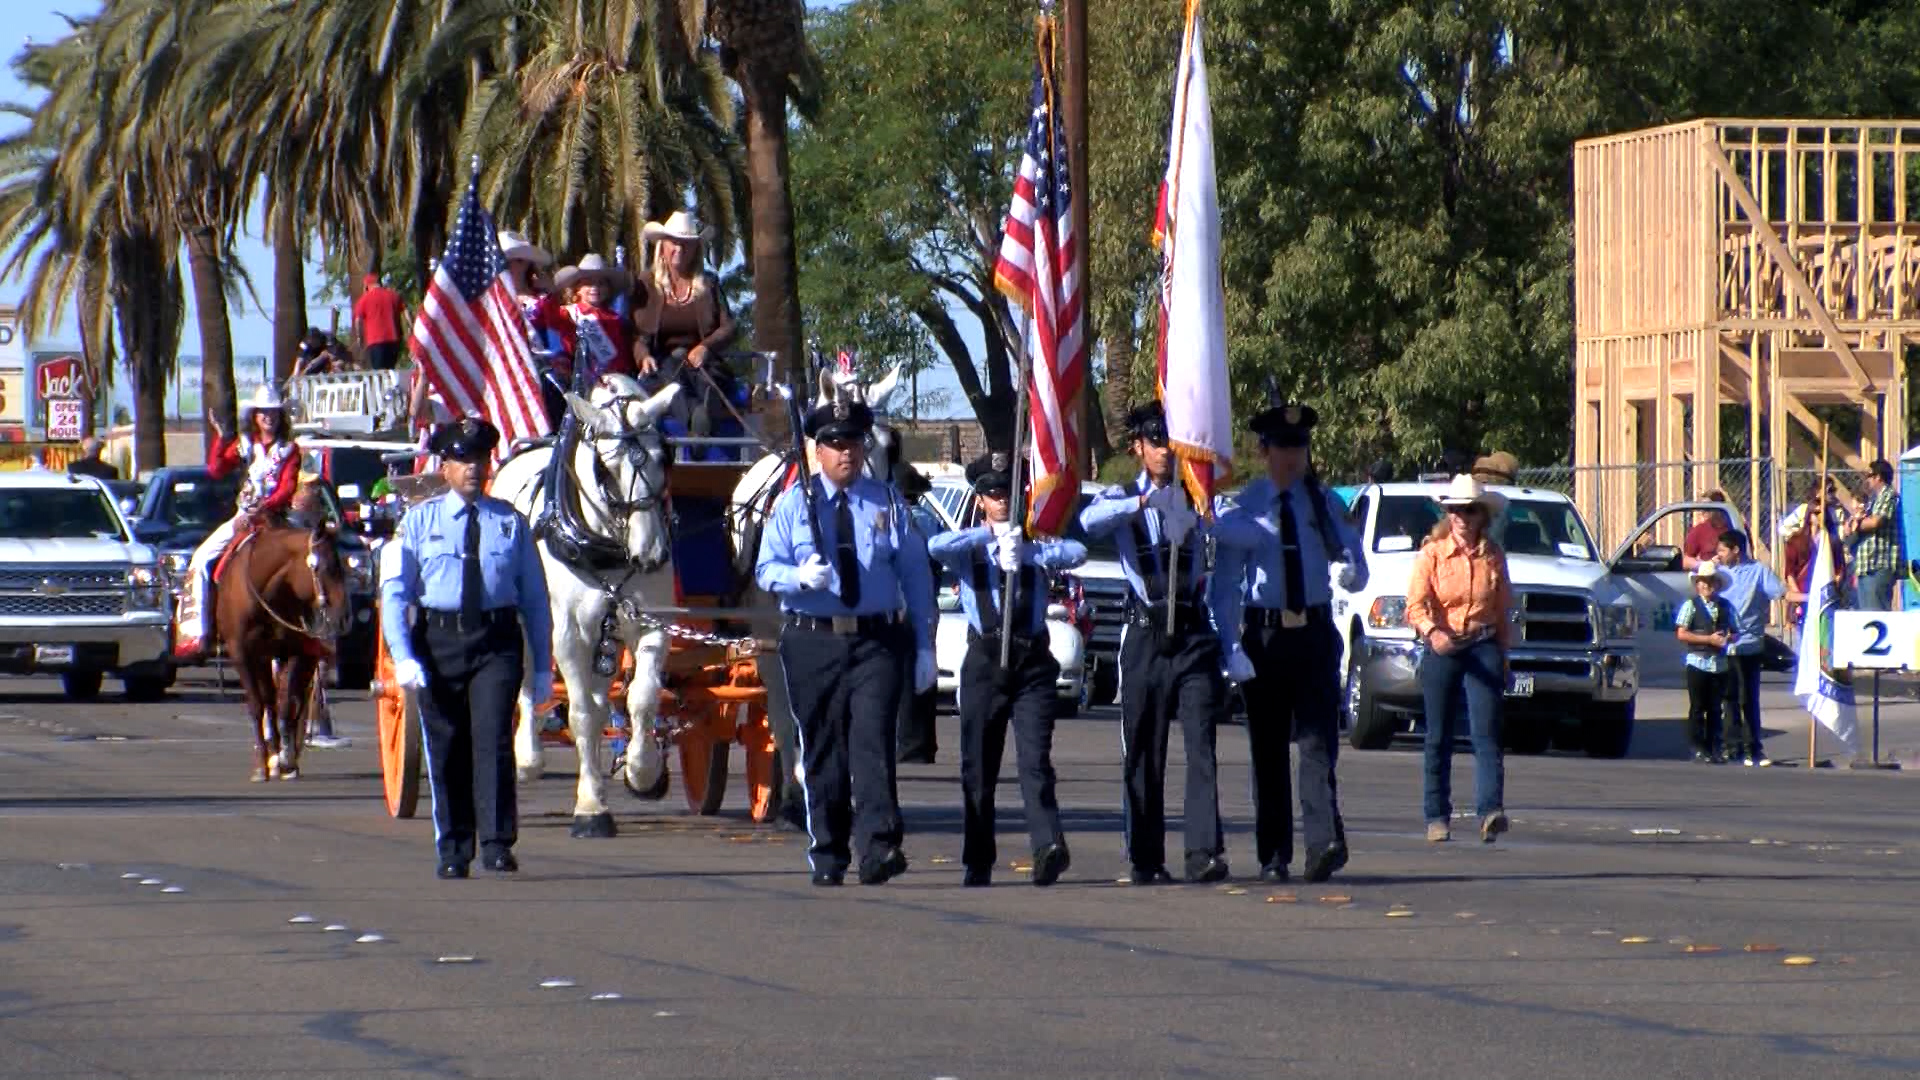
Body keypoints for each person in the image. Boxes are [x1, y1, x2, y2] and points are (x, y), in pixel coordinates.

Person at [754, 395, 936, 886]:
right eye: (835, 443)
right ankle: (829, 851)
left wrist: (924, 644)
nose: (846, 453)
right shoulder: (794, 506)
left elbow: (915, 575)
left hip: (876, 639)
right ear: (817, 450)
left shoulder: (887, 502)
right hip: (813, 641)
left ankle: (879, 846)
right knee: (822, 746)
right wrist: (797, 577)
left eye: (853, 442)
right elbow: (765, 570)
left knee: (873, 740)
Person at [380, 417, 553, 879]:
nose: (473, 469)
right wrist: (403, 657)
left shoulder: (511, 524)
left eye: (480, 459)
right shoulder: (418, 523)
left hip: (496, 641)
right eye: (463, 460)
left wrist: (541, 667)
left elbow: (534, 599)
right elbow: (395, 593)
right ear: (446, 466)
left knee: (494, 737)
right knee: (448, 745)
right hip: (438, 641)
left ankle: (497, 843)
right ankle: (454, 847)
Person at [1079, 401, 1236, 885]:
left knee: (1201, 744)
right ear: (1137, 448)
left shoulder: (1197, 496)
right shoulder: (1122, 496)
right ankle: (1145, 856)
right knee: (1145, 748)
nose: (1163, 451)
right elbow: (1088, 523)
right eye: (1153, 442)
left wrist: (1203, 507)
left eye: (1169, 441)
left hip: (1191, 633)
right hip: (1146, 631)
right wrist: (1143, 504)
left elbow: (1227, 529)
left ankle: (1203, 852)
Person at [1211, 403, 1368, 884]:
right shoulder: (1247, 507)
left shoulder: (1323, 503)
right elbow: (1225, 585)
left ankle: (1322, 843)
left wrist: (1351, 571)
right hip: (1266, 635)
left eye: (1299, 446)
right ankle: (1273, 853)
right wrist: (1229, 645)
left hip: (1316, 632)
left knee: (1319, 742)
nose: (1292, 456)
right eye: (1282, 446)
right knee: (1270, 748)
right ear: (1264, 450)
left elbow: (1356, 563)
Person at [928, 449, 1086, 888]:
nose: (1001, 502)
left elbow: (1077, 551)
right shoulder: (970, 545)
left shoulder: (1034, 538)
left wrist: (1031, 551)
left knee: (1035, 760)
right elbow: (935, 546)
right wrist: (989, 539)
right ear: (981, 500)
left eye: (1008, 495)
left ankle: (1048, 846)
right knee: (979, 765)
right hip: (984, 659)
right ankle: (978, 858)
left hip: (1031, 657)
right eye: (993, 495)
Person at [1405, 475, 1512, 844]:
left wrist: (1503, 654)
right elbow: (1415, 605)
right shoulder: (1432, 554)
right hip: (1443, 644)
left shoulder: (1493, 555)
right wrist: (1433, 634)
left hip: (1482, 643)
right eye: (1454, 510)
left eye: (1468, 510)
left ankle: (1490, 811)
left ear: (1482, 514)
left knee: (1487, 732)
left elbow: (1502, 609)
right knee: (1438, 734)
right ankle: (1436, 815)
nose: (1461, 517)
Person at [174, 385, 303, 663]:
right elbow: (216, 469)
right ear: (255, 416)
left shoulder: (290, 449)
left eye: (274, 412)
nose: (269, 417)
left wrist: (262, 509)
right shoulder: (245, 446)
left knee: (311, 559)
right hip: (242, 518)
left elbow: (287, 487)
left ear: (281, 417)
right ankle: (200, 633)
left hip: (275, 517)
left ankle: (313, 629)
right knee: (201, 558)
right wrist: (221, 439)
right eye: (263, 412)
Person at [635, 211, 745, 460]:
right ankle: (697, 421)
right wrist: (643, 357)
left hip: (702, 361)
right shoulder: (646, 284)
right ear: (662, 247)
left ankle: (704, 414)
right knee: (671, 381)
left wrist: (706, 347)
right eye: (674, 242)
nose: (679, 249)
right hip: (663, 361)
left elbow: (729, 327)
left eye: (686, 244)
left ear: (695, 250)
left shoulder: (709, 284)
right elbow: (638, 335)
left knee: (709, 381)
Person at [1716, 529, 1784, 767]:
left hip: (1749, 645)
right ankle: (1729, 746)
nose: (1719, 555)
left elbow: (1778, 591)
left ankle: (1752, 747)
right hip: (1725, 645)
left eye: (1723, 551)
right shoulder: (1719, 573)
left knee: (1748, 698)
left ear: (1736, 550)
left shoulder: (1757, 572)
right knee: (1728, 698)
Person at [536, 255, 638, 405]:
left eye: (601, 283)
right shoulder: (568, 313)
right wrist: (549, 291)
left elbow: (621, 356)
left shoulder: (615, 320)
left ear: (609, 289)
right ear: (577, 288)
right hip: (575, 381)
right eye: (588, 283)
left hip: (610, 381)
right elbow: (546, 316)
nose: (594, 288)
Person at [894, 463, 941, 765]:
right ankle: (920, 744)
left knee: (897, 675)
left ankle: (903, 743)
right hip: (927, 605)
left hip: (897, 605)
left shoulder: (900, 519)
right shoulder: (930, 520)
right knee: (924, 674)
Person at [1675, 560, 1735, 763]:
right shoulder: (1691, 605)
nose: (1706, 585)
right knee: (1698, 707)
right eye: (1702, 581)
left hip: (1719, 664)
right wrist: (1707, 639)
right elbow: (1682, 633)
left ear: (1717, 584)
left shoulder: (1726, 606)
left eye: (1710, 581)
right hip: (1697, 662)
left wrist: (1727, 638)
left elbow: (1735, 631)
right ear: (1697, 584)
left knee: (1715, 708)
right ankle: (1698, 747)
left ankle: (1714, 747)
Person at [1842, 460, 1900, 610]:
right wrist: (1852, 525)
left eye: (1869, 475)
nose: (1867, 479)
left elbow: (1875, 522)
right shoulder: (1874, 500)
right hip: (1865, 567)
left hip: (1878, 566)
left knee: (1876, 615)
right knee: (1866, 618)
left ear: (1878, 477)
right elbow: (1857, 522)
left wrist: (1856, 525)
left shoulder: (1888, 495)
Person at [353, 271, 408, 371]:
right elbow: (406, 312)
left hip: (375, 341)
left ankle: (385, 387)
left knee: (379, 372)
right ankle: (392, 385)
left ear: (367, 286)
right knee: (391, 369)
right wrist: (411, 327)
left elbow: (358, 321)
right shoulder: (394, 295)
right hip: (394, 340)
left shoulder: (363, 300)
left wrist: (360, 337)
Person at [1682, 491, 1731, 571]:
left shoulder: (1734, 527)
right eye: (1701, 508)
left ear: (1719, 508)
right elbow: (1686, 561)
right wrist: (1705, 565)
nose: (1703, 512)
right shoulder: (1699, 530)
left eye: (1707, 508)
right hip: (1710, 577)